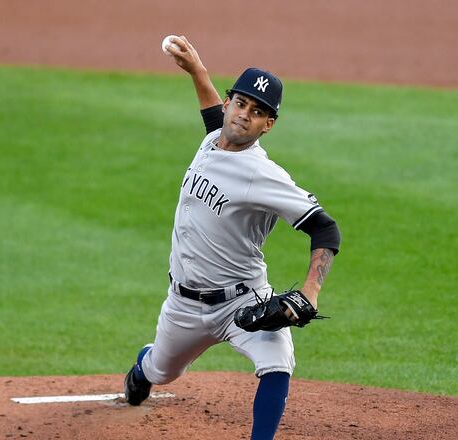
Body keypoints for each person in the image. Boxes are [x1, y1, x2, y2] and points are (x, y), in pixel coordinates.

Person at [123, 36, 341, 440]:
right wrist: (198, 71)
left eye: (257, 112)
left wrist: (311, 290)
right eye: (240, 104)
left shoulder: (264, 175)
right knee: (161, 371)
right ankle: (142, 371)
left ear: (268, 124)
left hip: (244, 300)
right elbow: (212, 119)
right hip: (185, 305)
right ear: (229, 104)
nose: (244, 115)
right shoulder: (212, 141)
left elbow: (325, 227)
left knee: (277, 364)